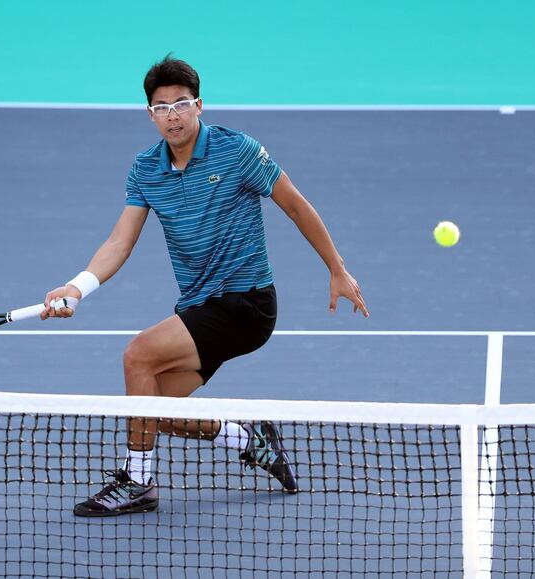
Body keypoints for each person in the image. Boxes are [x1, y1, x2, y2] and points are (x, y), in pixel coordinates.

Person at [41, 56, 369, 517]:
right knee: (149, 407)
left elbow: (295, 205)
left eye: (181, 104)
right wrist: (77, 287)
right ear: (149, 114)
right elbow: (120, 240)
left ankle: (137, 481)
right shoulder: (145, 170)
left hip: (247, 303)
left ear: (199, 105)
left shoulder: (237, 152)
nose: (172, 115)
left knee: (137, 354)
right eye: (161, 107)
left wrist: (336, 268)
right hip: (198, 305)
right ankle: (250, 439)